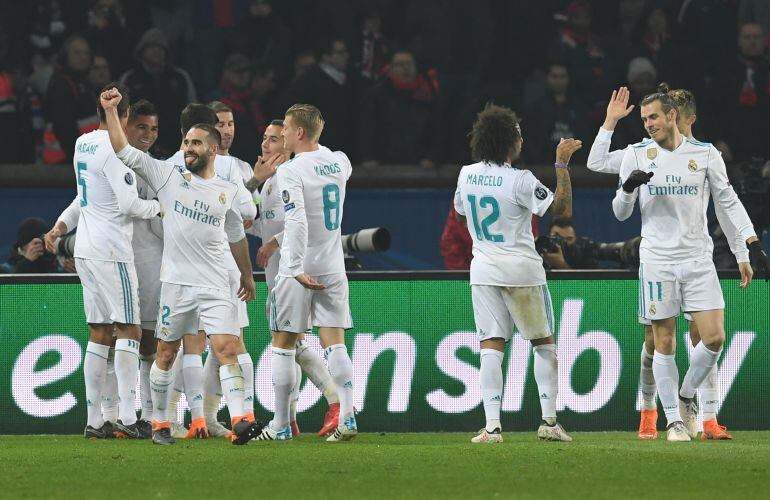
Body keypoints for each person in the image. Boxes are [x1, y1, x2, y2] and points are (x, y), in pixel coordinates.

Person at [590, 85, 756, 439]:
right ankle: (672, 420)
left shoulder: (706, 154)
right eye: (644, 118)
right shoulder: (637, 154)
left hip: (698, 259)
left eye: (653, 117)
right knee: (660, 341)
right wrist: (627, 188)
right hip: (658, 261)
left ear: (673, 117)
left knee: (713, 338)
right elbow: (618, 210)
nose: (648, 124)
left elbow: (728, 205)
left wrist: (745, 249)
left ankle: (686, 398)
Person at [100, 86, 260, 446]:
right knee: (166, 354)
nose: (188, 148)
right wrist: (111, 112)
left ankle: (242, 418)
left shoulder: (228, 190)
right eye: (186, 142)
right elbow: (123, 151)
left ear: (213, 150)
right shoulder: (166, 175)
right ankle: (159, 422)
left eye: (196, 144)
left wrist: (247, 275)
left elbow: (237, 233)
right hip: (177, 284)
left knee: (228, 348)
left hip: (218, 283)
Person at [453, 103, 580, 443]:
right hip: (522, 269)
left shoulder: (466, 175)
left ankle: (492, 426)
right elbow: (561, 209)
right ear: (509, 141)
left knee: (491, 346)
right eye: (518, 135)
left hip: (483, 269)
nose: (521, 140)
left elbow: (462, 216)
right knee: (543, 344)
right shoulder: (520, 180)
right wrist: (561, 165)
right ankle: (549, 422)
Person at [44, 82, 161, 440]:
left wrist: (60, 225)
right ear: (122, 116)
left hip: (86, 251)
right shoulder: (114, 149)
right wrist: (162, 206)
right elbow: (129, 205)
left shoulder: (83, 143)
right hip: (113, 251)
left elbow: (83, 197)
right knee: (130, 329)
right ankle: (127, 415)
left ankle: (94, 420)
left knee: (98, 332)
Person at [255, 104, 356, 442]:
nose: (282, 134)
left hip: (301, 265)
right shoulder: (338, 161)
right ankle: (349, 416)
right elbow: (344, 164)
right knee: (335, 344)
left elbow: (297, 219)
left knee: (283, 343)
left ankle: (281, 424)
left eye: (285, 128)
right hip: (333, 264)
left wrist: (294, 267)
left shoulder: (291, 171)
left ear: (299, 133)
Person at [161, 103, 258, 440]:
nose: (228, 129)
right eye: (222, 124)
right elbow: (247, 212)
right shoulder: (231, 167)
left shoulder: (168, 167)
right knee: (225, 344)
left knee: (193, 345)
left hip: (180, 266)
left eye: (231, 123)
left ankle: (193, 418)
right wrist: (256, 181)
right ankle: (222, 415)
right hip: (216, 268)